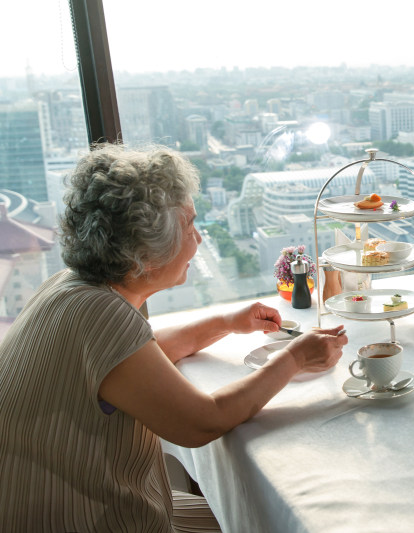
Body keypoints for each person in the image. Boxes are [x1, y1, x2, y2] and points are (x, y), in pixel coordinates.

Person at [0, 143, 347, 532]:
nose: (197, 239)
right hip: (85, 520)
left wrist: (226, 322)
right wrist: (296, 357)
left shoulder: (69, 288)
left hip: (53, 509)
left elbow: (139, 358)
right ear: (145, 255)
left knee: (247, 515)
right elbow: (201, 422)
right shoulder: (100, 314)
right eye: (188, 226)